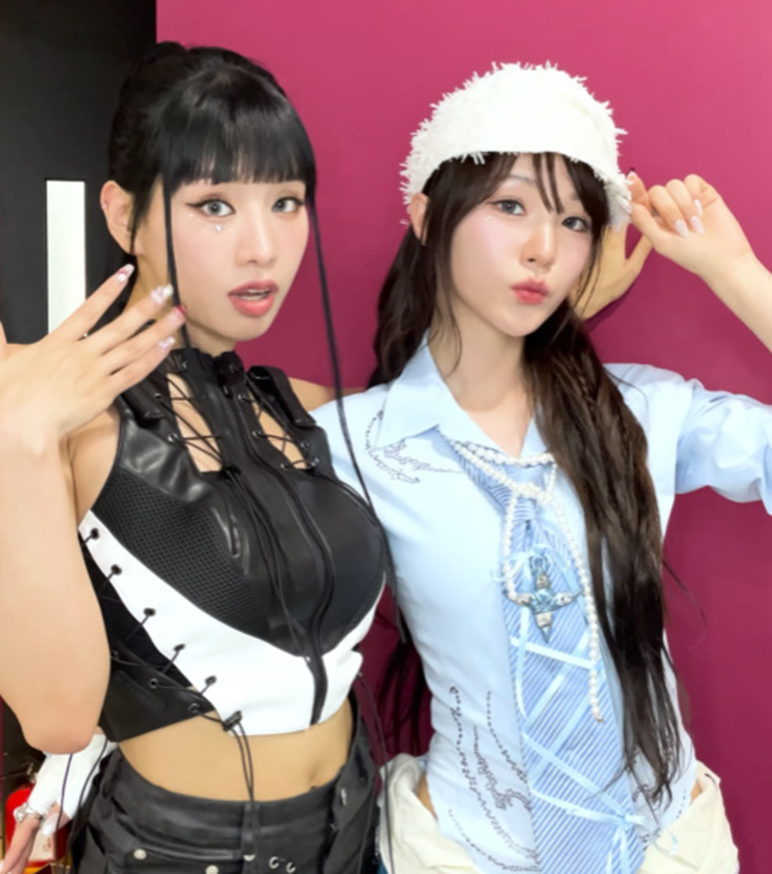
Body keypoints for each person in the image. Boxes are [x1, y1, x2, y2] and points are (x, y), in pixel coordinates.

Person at [314, 63, 759, 873]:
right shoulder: (354, 442)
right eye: (510, 206)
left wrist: (737, 272)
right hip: (462, 851)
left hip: (668, 848)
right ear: (427, 215)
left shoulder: (643, 414)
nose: (544, 249)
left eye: (575, 221)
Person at [0, 42, 386, 873]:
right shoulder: (57, 425)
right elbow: (58, 718)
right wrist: (17, 437)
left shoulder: (304, 409)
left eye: (286, 202)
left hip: (357, 827)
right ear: (121, 216)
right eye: (214, 205)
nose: (263, 247)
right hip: (177, 851)